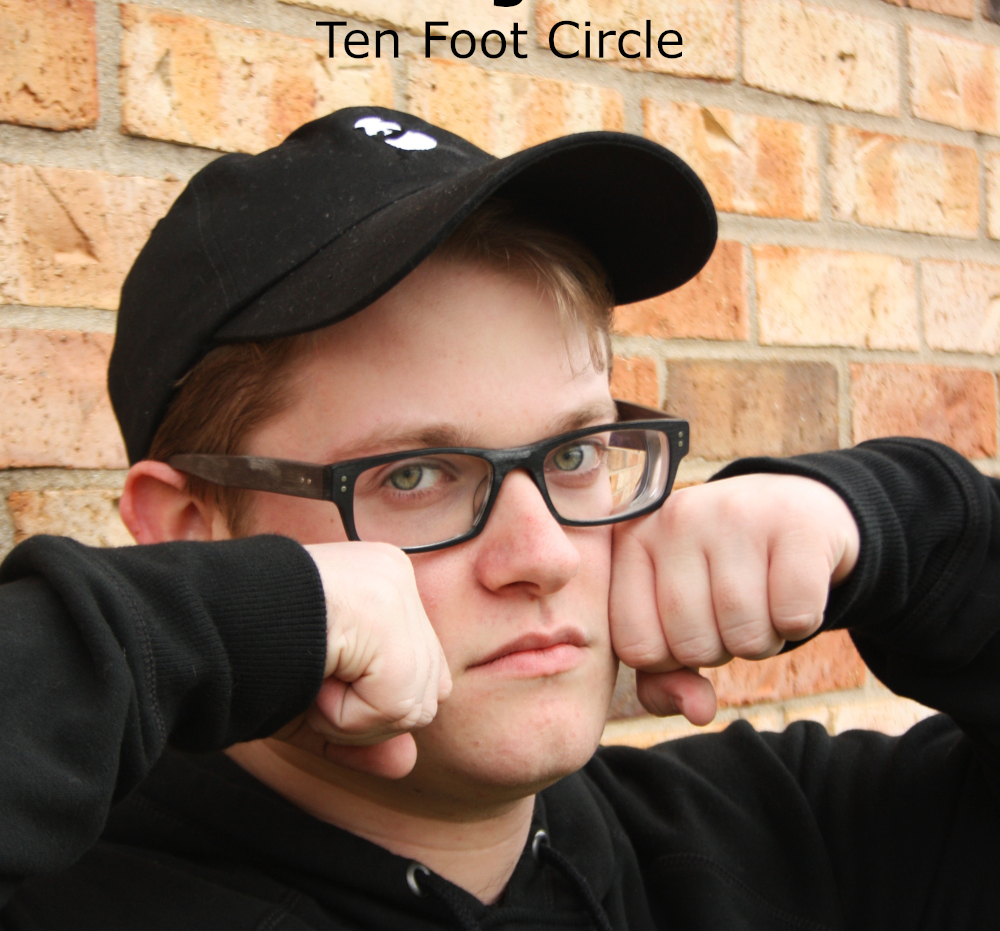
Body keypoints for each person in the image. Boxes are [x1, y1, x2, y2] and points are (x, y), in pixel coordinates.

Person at [1, 107, 997, 929]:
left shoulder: (766, 841)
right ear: (191, 530)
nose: (544, 556)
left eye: (574, 455)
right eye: (415, 474)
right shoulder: (67, 899)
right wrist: (200, 633)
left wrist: (894, 521)